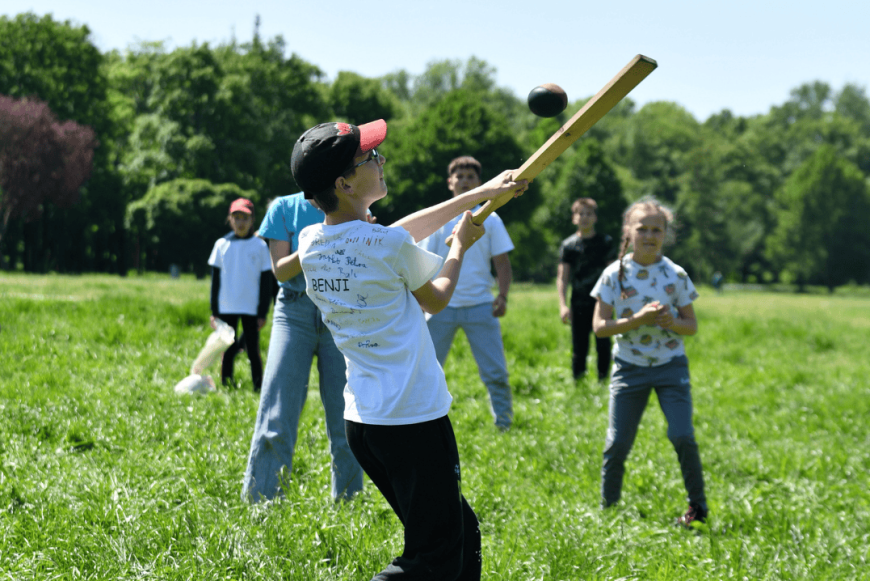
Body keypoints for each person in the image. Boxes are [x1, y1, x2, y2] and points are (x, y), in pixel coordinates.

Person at [287, 119, 527, 580]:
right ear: (345, 182)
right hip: (413, 419)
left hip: (365, 423)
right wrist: (459, 246)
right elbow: (435, 296)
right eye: (369, 158)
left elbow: (398, 232)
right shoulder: (386, 244)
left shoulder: (312, 242)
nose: (380, 160)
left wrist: (477, 195)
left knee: (462, 533)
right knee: (431, 558)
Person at [590, 196, 708, 527]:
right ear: (628, 231)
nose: (650, 235)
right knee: (617, 443)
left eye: (657, 229)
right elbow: (599, 328)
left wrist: (672, 323)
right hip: (629, 369)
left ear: (666, 234)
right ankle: (609, 512)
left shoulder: (676, 274)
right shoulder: (614, 275)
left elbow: (692, 325)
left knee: (682, 435)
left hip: (671, 367)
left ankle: (697, 511)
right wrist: (638, 320)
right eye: (642, 228)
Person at [240, 191, 364, 503]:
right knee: (277, 411)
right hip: (293, 311)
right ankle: (262, 503)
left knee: (346, 411)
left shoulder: (352, 203)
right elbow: (281, 270)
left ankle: (350, 505)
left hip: (340, 310)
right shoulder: (284, 207)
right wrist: (316, 241)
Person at [418, 156, 515, 430]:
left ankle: (505, 425)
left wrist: (503, 295)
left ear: (480, 183)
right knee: (426, 371)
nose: (464, 181)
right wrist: (422, 301)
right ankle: (423, 424)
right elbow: (421, 261)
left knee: (495, 371)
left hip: (481, 305)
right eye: (459, 177)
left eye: (471, 177)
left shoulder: (491, 218)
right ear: (450, 182)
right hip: (439, 306)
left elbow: (502, 263)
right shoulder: (437, 218)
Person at [207, 197, 272, 391]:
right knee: (227, 349)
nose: (241, 222)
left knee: (253, 350)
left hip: (251, 308)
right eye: (236, 218)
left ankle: (258, 386)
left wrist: (263, 312)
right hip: (227, 306)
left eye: (245, 218)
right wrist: (214, 311)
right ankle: (226, 384)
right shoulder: (221, 245)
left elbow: (266, 282)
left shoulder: (260, 246)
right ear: (230, 219)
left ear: (252, 221)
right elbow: (215, 281)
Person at [557, 198, 617, 382]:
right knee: (579, 346)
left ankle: (603, 381)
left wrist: (615, 300)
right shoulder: (569, 245)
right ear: (574, 218)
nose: (584, 217)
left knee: (604, 344)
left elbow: (613, 274)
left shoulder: (605, 242)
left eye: (589, 213)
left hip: (602, 301)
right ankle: (579, 384)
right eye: (580, 213)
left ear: (595, 218)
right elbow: (562, 277)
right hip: (579, 302)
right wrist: (562, 305)